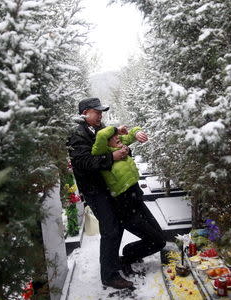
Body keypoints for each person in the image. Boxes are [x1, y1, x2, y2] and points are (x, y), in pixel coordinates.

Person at [67, 98, 164, 290]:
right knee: (110, 229)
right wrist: (111, 157)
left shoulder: (100, 128)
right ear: (85, 112)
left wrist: (124, 150)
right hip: (95, 191)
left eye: (101, 112)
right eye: (97, 112)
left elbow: (116, 146)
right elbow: (84, 163)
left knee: (116, 228)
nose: (101, 115)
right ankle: (109, 276)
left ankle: (119, 261)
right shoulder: (78, 136)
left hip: (109, 188)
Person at [91, 125, 166, 269]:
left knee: (160, 238)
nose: (117, 138)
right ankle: (127, 258)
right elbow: (101, 136)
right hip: (123, 207)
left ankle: (130, 252)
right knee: (157, 241)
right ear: (106, 142)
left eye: (117, 136)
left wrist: (137, 133)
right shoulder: (102, 153)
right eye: (113, 137)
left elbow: (131, 133)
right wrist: (115, 129)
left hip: (136, 200)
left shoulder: (119, 147)